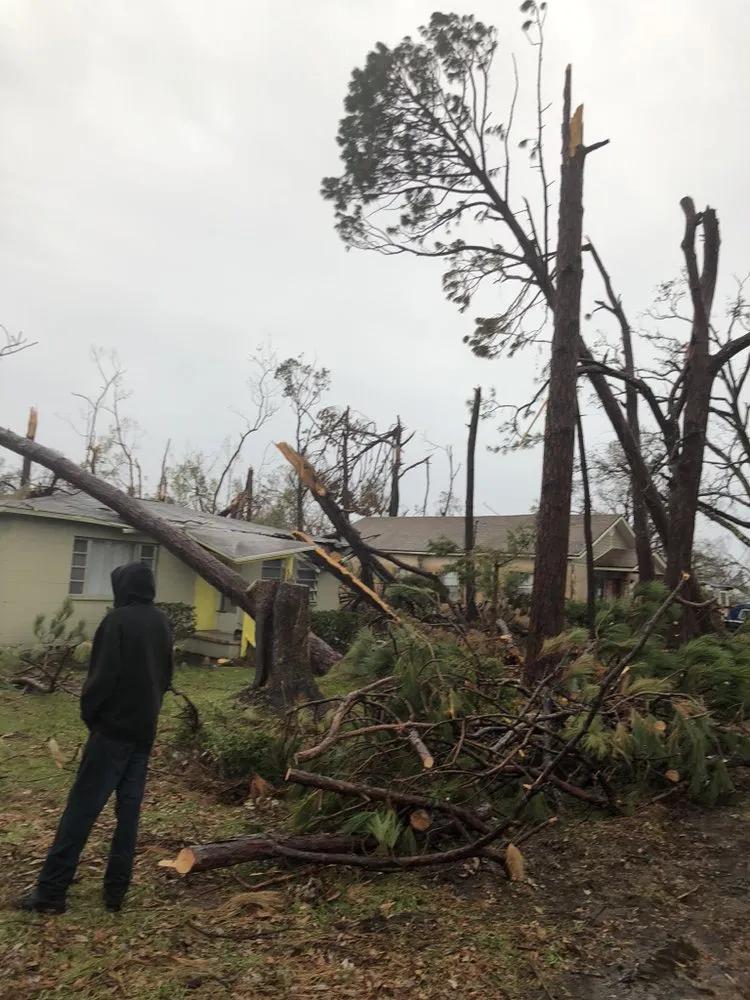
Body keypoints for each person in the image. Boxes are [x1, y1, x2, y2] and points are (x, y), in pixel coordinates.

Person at [15, 562, 173, 915]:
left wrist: (92, 717)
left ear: (123, 588)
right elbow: (166, 677)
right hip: (143, 732)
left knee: (81, 810)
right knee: (128, 814)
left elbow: (100, 680)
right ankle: (116, 891)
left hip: (112, 733)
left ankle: (51, 892)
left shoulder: (116, 622)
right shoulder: (162, 622)